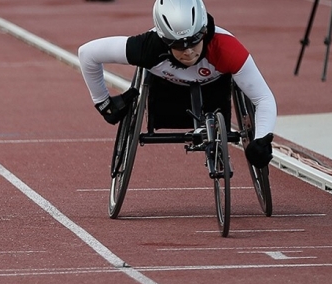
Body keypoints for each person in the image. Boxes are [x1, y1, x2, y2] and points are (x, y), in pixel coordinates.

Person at [77, 0, 277, 168]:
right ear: (164, 40)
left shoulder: (226, 48)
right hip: (165, 90)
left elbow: (263, 98)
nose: (188, 51)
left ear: (204, 31)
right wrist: (103, 103)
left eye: (194, 41)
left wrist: (261, 139)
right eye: (179, 45)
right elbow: (87, 54)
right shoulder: (147, 47)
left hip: (215, 88)